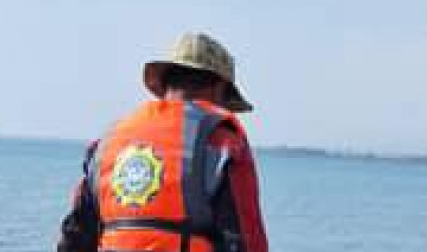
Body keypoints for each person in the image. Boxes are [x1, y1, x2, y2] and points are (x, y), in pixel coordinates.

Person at [55, 32, 269, 252]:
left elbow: (74, 238)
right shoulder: (222, 140)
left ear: (165, 85)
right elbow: (247, 241)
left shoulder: (107, 143)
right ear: (219, 89)